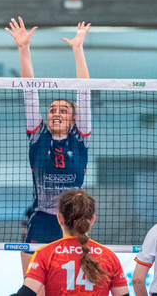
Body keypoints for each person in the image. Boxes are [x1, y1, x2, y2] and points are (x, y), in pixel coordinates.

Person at [6, 17, 92, 280]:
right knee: (34, 285)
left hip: (73, 221)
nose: (55, 113)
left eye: (63, 110)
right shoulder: (37, 135)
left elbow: (84, 92)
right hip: (42, 219)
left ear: (74, 119)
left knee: (72, 284)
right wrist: (23, 48)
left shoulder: (80, 138)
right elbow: (30, 92)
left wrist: (78, 49)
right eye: (52, 109)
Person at [11, 189, 129, 296]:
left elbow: (26, 294)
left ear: (60, 218)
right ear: (92, 220)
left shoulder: (45, 254)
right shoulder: (109, 256)